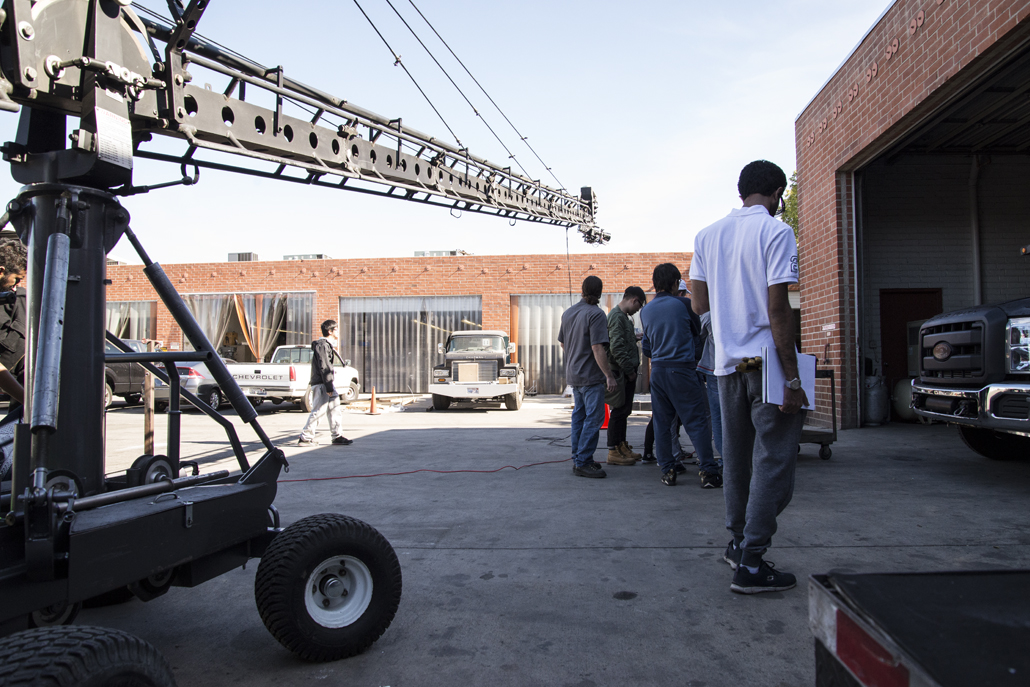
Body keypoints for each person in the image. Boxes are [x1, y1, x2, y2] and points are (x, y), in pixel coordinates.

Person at [690, 159, 807, 595]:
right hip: (766, 364)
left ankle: (737, 543)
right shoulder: (776, 232)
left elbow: (699, 304)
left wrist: (726, 323)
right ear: (777, 193)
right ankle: (753, 564)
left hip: (724, 367)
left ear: (741, 191)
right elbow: (779, 309)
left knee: (736, 460)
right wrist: (792, 379)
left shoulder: (706, 235)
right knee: (774, 461)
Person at [640, 265, 720, 488]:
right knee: (696, 421)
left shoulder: (646, 311)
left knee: (662, 423)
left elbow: (646, 348)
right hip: (682, 370)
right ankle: (709, 472)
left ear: (656, 284)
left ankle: (668, 470)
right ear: (676, 283)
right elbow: (698, 336)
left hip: (658, 373)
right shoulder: (685, 304)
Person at [558, 276, 617, 478]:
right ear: (599, 292)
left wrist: (575, 358)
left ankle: (580, 458)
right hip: (591, 377)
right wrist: (608, 375)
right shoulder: (596, 314)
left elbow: (563, 343)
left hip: (574, 375)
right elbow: (597, 347)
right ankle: (583, 461)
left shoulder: (568, 313)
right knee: (594, 418)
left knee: (579, 417)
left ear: (582, 290)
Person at [605, 286, 646, 465]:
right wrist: (629, 371)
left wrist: (635, 337)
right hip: (621, 372)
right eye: (639, 306)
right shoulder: (616, 317)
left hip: (626, 372)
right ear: (634, 300)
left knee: (625, 411)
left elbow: (623, 341)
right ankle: (613, 450)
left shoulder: (624, 318)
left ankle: (621, 445)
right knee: (619, 411)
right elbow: (616, 348)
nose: (637, 310)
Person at [298, 319, 353, 446]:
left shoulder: (326, 345)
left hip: (326, 383)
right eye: (336, 329)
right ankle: (305, 437)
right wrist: (328, 385)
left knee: (335, 408)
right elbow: (325, 366)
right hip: (322, 383)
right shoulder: (322, 345)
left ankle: (337, 436)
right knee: (319, 410)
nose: (338, 331)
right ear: (330, 331)